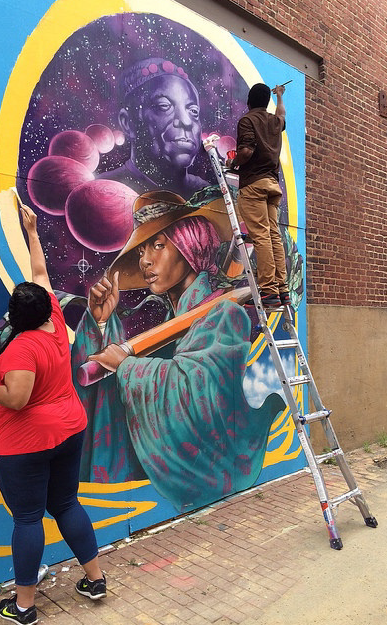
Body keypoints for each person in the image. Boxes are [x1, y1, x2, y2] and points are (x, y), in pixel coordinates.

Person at [72, 190, 285, 511]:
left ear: (190, 245)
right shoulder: (172, 322)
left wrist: (127, 367)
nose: (145, 260)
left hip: (220, 471)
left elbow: (199, 395)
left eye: (158, 245)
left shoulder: (223, 314)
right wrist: (101, 324)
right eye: (141, 250)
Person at [0, 204, 106, 625]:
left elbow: (16, 399)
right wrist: (33, 232)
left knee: (27, 518)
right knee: (66, 503)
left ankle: (23, 607)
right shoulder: (53, 318)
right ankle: (95, 580)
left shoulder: (21, 347)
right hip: (69, 428)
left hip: (28, 443)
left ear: (14, 318)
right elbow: (40, 273)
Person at [97, 58, 211, 199]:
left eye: (193, 111)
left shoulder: (206, 193)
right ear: (127, 122)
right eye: (164, 106)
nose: (186, 121)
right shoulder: (102, 192)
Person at [227, 82, 290, 309]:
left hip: (254, 184)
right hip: (272, 186)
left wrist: (233, 163)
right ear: (266, 102)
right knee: (273, 236)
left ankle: (269, 292)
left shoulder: (247, 120)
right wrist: (280, 96)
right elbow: (281, 114)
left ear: (249, 102)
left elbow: (246, 151)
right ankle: (282, 289)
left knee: (262, 237)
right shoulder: (275, 121)